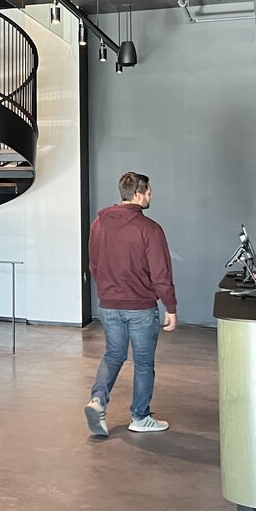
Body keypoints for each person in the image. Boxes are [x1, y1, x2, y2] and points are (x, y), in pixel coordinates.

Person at [84, 172, 178, 438]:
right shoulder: (150, 229)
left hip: (108, 303)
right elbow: (161, 273)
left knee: (113, 355)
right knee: (144, 363)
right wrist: (170, 307)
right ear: (138, 194)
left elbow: (94, 263)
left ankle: (98, 399)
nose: (150, 196)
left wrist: (107, 290)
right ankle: (140, 417)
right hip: (140, 307)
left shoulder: (99, 223)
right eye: (149, 192)